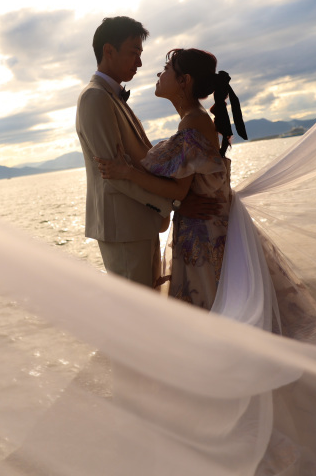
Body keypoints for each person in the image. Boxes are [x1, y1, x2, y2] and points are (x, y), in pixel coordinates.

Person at [95, 48, 246, 309]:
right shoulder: (195, 119)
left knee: (204, 311)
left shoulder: (192, 123)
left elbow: (178, 191)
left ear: (184, 80)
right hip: (205, 227)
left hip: (202, 235)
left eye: (166, 69)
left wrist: (126, 172)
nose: (158, 73)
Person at [76, 18, 219, 288]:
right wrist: (176, 204)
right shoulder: (95, 97)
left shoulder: (111, 96)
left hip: (140, 223)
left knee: (151, 304)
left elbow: (136, 164)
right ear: (109, 51)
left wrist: (172, 204)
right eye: (134, 53)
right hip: (123, 229)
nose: (140, 63)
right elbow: (112, 173)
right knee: (136, 310)